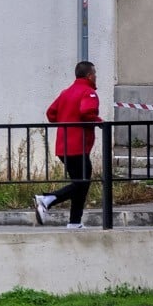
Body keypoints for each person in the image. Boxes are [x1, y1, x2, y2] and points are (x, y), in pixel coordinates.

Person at [34, 61, 102, 229]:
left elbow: (51, 113)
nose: (95, 77)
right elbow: (87, 112)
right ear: (89, 75)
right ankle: (47, 199)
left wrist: (67, 121)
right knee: (82, 183)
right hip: (78, 146)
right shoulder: (88, 92)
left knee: (80, 183)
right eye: (94, 74)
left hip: (63, 146)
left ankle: (74, 222)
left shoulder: (66, 92)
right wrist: (99, 121)